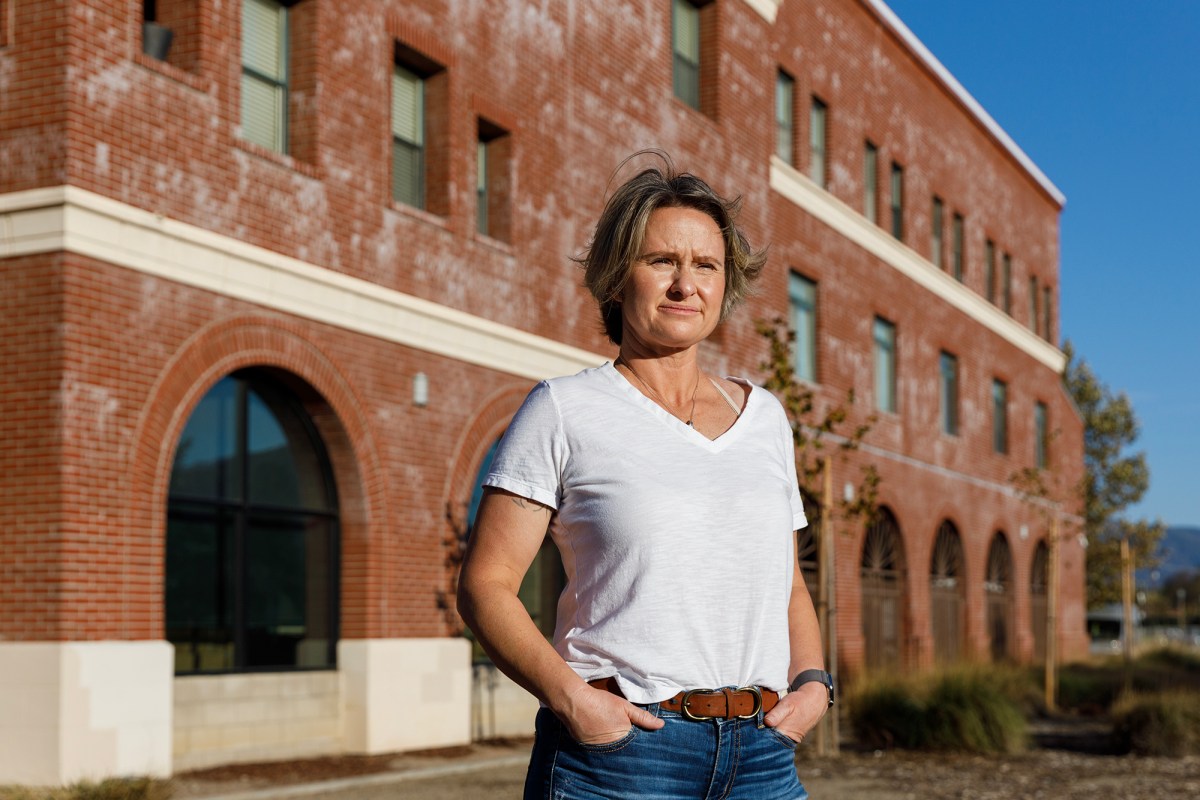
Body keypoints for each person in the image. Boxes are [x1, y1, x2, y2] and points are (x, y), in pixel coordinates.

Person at [457, 155, 832, 800]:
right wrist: (574, 701)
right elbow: (485, 585)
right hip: (622, 759)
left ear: (726, 284)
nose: (686, 284)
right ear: (616, 277)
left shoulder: (767, 418)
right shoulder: (563, 410)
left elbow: (788, 584)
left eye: (706, 266)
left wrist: (815, 686)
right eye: (662, 262)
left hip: (764, 758)